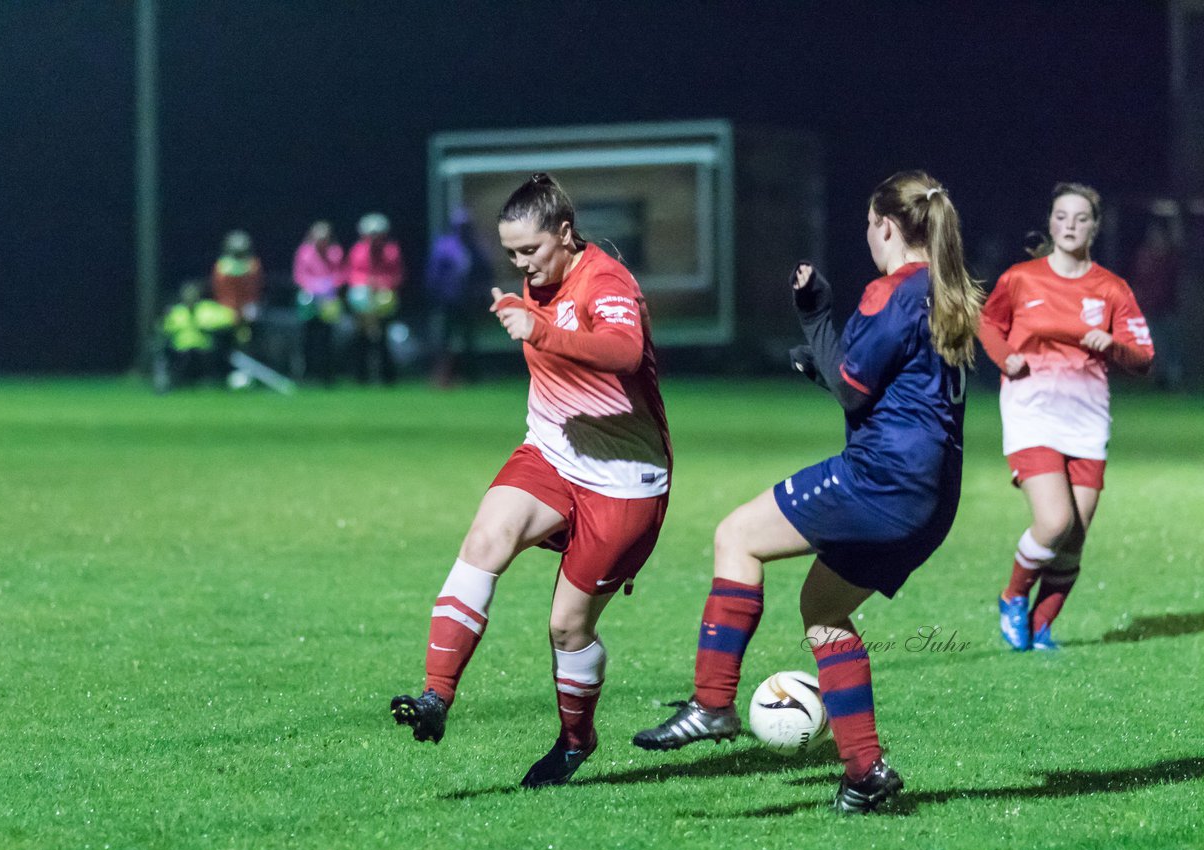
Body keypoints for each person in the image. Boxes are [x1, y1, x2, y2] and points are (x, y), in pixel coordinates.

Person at [633, 171, 983, 815]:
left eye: (869, 229)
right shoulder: (945, 291)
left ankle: (712, 705)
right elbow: (883, 390)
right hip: (932, 500)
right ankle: (865, 771)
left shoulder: (893, 290)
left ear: (884, 226)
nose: (868, 241)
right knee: (823, 607)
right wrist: (819, 354)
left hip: (882, 481)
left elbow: (852, 387)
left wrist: (817, 314)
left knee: (735, 536)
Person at [390, 173, 672, 788]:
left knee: (567, 626)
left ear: (565, 235)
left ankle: (576, 741)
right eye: (512, 253)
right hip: (549, 451)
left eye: (530, 251)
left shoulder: (606, 280)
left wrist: (538, 330)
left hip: (624, 479)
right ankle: (436, 696)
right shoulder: (534, 279)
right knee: (484, 542)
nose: (521, 264)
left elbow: (624, 353)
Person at [979, 183, 1154, 653]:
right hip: (1031, 411)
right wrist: (1005, 358)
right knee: (1054, 522)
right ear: (1051, 222)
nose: (1070, 226)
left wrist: (1112, 344)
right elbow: (988, 323)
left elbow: (1144, 358)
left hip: (1087, 419)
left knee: (1074, 539)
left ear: (1095, 227)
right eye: (1062, 216)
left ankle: (1041, 626)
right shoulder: (1020, 278)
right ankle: (1012, 596)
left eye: (1081, 218)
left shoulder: (1112, 288)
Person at [424, 206, 493, 386]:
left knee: (469, 340)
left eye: (466, 226)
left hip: (469, 299)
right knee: (445, 340)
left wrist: (483, 292)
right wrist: (436, 294)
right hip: (449, 299)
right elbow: (434, 273)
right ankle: (442, 377)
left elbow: (486, 272)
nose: (463, 229)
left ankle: (472, 376)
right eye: (460, 226)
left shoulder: (476, 246)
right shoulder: (444, 246)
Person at [346, 212, 404, 385]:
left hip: (384, 300)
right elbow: (352, 274)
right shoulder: (358, 251)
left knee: (384, 339)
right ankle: (361, 377)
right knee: (361, 339)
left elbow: (397, 275)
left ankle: (387, 377)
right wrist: (367, 283)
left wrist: (380, 283)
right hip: (363, 302)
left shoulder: (391, 251)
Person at [157, 280, 238, 391]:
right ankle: (179, 383)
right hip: (181, 349)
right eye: (187, 293)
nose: (190, 296)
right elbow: (165, 328)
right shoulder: (176, 311)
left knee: (210, 355)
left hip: (204, 348)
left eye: (193, 293)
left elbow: (229, 318)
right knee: (181, 357)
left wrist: (209, 327)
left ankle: (209, 382)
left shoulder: (208, 308)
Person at [1130, 220, 1182, 390]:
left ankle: (1173, 381)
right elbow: (1139, 281)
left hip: (1168, 308)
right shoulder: (1145, 256)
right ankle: (1159, 380)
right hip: (1150, 308)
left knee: (1172, 345)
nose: (1156, 238)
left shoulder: (1170, 257)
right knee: (1156, 346)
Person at [292, 221, 345, 385]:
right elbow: (299, 276)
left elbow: (341, 274)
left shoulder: (335, 252)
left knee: (327, 338)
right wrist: (314, 286)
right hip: (309, 301)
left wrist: (328, 286)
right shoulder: (304, 252)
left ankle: (327, 376)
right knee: (307, 338)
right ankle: (306, 375)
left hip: (328, 301)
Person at [211, 230, 264, 322]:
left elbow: (253, 283)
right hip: (226, 306)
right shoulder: (221, 265)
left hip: (248, 305)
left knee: (251, 316)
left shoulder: (254, 264)